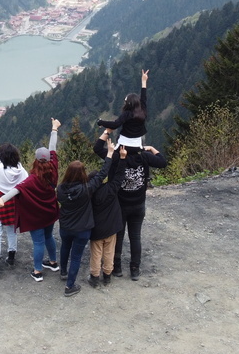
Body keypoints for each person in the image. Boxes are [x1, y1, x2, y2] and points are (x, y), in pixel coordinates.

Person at [94, 125, 167, 280]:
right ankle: (135, 269)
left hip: (119, 205)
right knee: (135, 236)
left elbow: (97, 148)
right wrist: (152, 148)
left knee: (118, 236)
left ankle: (117, 268)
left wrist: (107, 132)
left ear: (123, 145)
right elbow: (163, 162)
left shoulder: (115, 157)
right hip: (138, 205)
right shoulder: (145, 157)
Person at [0, 118, 61, 282]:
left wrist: (2, 200)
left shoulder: (32, 179)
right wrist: (54, 129)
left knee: (38, 242)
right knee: (49, 237)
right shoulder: (53, 167)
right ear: (48, 158)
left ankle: (38, 271)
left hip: (36, 217)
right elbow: (53, 147)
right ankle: (53, 263)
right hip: (51, 212)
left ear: (36, 159)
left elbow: (16, 190)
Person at [55, 140, 120, 297]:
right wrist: (110, 154)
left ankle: (63, 271)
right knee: (76, 257)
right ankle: (70, 286)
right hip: (82, 229)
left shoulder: (61, 189)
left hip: (65, 226)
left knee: (65, 247)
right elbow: (103, 173)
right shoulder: (87, 189)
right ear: (83, 173)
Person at [0, 114, 29, 279]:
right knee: (11, 229)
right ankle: (11, 257)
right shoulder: (21, 171)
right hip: (13, 201)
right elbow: (26, 185)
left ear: (2, 157)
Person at [88, 130, 126, 288]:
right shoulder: (110, 189)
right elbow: (119, 177)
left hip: (96, 229)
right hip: (111, 228)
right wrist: (122, 158)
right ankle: (107, 275)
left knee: (95, 254)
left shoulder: (87, 193)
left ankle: (95, 277)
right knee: (109, 252)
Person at [97, 70, 148, 148]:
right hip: (137, 144)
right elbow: (143, 97)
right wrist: (144, 81)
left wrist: (100, 122)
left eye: (125, 101)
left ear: (128, 103)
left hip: (124, 143)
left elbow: (115, 124)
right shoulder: (142, 111)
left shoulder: (127, 114)